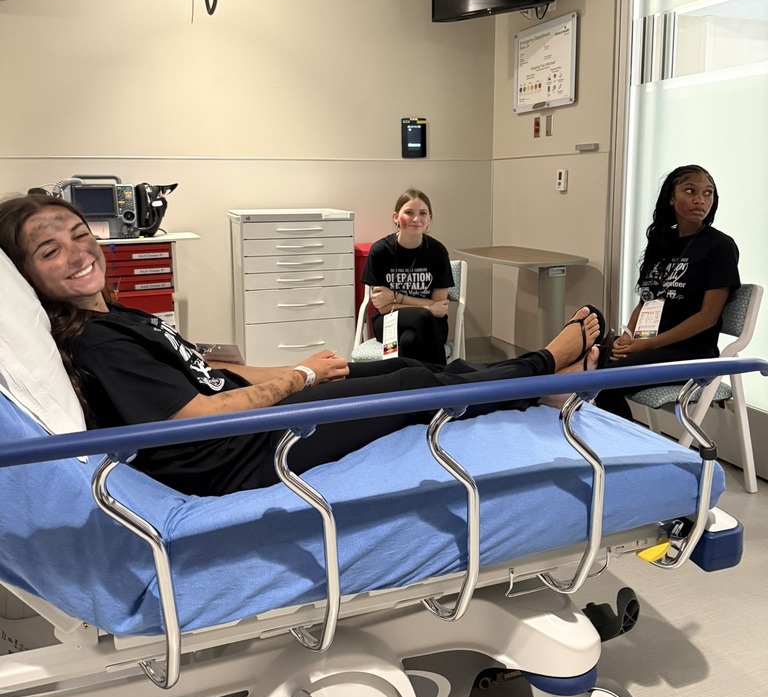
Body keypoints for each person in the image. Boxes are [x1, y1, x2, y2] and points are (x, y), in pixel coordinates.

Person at [0, 194, 607, 497]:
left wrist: (302, 371)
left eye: (79, 234)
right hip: (237, 454)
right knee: (413, 383)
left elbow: (211, 373)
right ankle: (544, 366)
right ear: (25, 275)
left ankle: (534, 388)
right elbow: (198, 415)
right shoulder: (99, 343)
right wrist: (300, 379)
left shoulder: (116, 315)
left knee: (395, 368)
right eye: (50, 251)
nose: (77, 253)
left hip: (246, 425)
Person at [595, 164, 739, 421]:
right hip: (649, 344)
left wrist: (646, 345)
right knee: (589, 359)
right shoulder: (662, 242)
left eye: (707, 193)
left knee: (605, 380)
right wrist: (628, 336)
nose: (700, 200)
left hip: (692, 353)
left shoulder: (720, 246)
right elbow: (646, 301)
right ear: (671, 197)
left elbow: (708, 317)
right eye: (690, 191)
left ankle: (624, 445)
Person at [361, 189, 454, 365]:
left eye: (423, 213)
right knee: (422, 316)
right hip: (389, 320)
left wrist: (395, 297)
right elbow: (383, 307)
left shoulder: (437, 252)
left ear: (430, 219)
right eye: (409, 212)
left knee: (408, 341)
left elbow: (440, 306)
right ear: (396, 217)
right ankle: (442, 377)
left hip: (432, 323)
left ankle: (406, 381)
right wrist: (427, 307)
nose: (416, 219)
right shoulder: (380, 251)